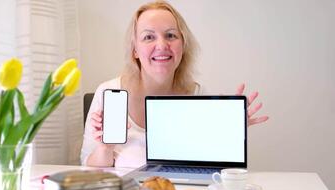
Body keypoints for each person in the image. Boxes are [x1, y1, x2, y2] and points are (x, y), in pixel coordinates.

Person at [80, 0, 269, 168]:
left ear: (183, 45)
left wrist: (227, 134)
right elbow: (86, 165)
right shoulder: (108, 92)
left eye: (171, 35)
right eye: (148, 37)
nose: (162, 45)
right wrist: (105, 148)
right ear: (134, 50)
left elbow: (209, 165)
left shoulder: (198, 94)